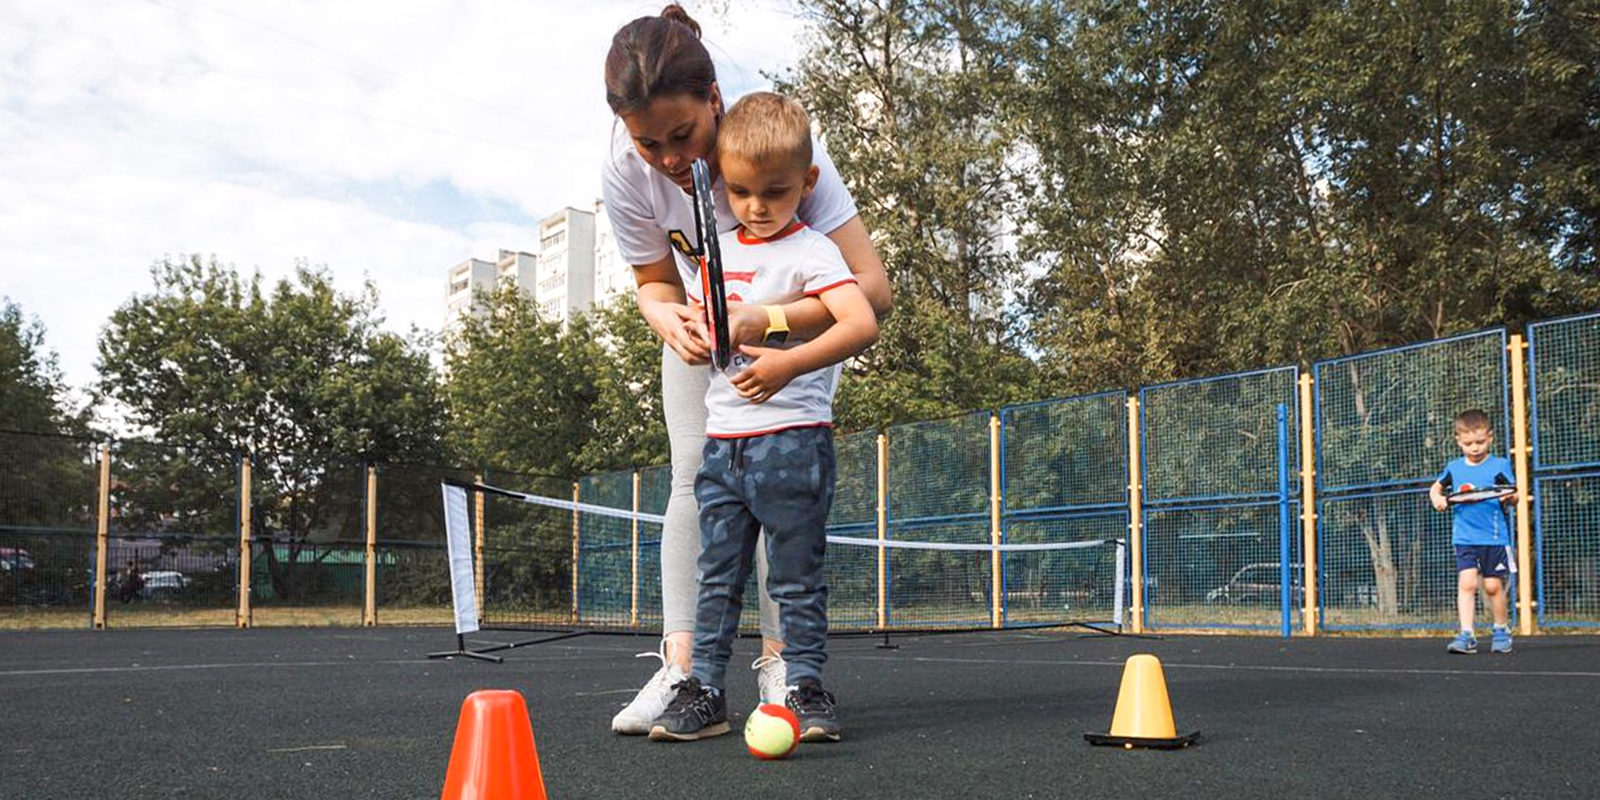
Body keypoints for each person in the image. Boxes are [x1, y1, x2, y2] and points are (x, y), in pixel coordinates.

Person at [600, 5, 891, 734]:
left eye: (682, 136)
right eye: (648, 143)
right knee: (693, 481)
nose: (669, 159)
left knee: (782, 506)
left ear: (714, 101)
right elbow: (654, 282)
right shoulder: (625, 170)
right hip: (704, 334)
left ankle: (785, 669)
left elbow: (872, 293)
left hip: (789, 344)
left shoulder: (771, 145)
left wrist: (772, 323)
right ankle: (686, 674)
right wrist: (668, 319)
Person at [1428, 408, 1518, 655]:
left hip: (1494, 538)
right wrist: (1438, 499)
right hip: (1464, 538)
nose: (1475, 448)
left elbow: (1514, 493)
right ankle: (1466, 634)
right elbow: (1435, 489)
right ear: (1458, 440)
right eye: (1468, 444)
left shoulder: (1500, 465)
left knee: (1492, 586)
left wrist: (1510, 498)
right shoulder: (1454, 467)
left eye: (1480, 442)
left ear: (1490, 437)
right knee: (1467, 583)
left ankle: (1501, 629)